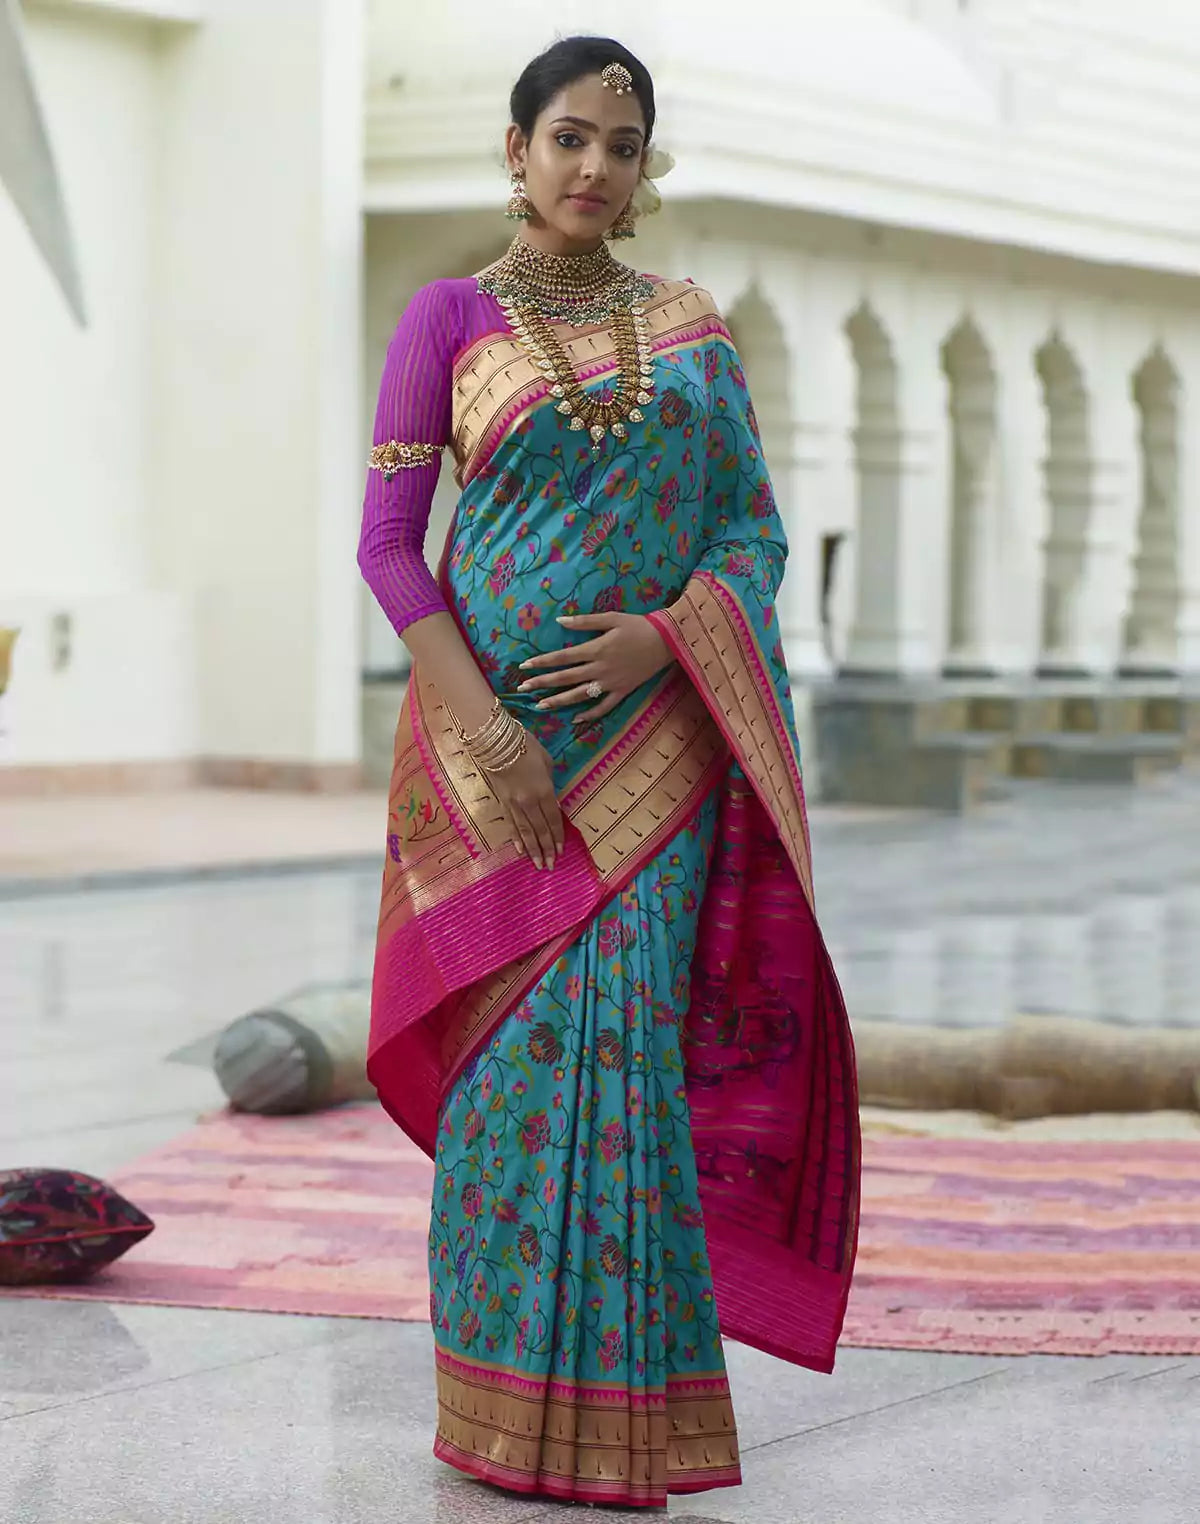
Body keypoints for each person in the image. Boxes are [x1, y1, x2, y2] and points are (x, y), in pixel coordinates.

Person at [358, 34, 860, 1511]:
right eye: (569, 137)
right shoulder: (448, 316)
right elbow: (387, 549)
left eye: (621, 146)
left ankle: (629, 1422)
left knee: (626, 1060)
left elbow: (749, 531)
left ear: (645, 170)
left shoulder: (691, 328)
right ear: (516, 149)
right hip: (486, 766)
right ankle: (498, 1412)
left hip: (660, 758)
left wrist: (666, 637)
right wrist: (493, 736)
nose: (593, 166)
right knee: (512, 1075)